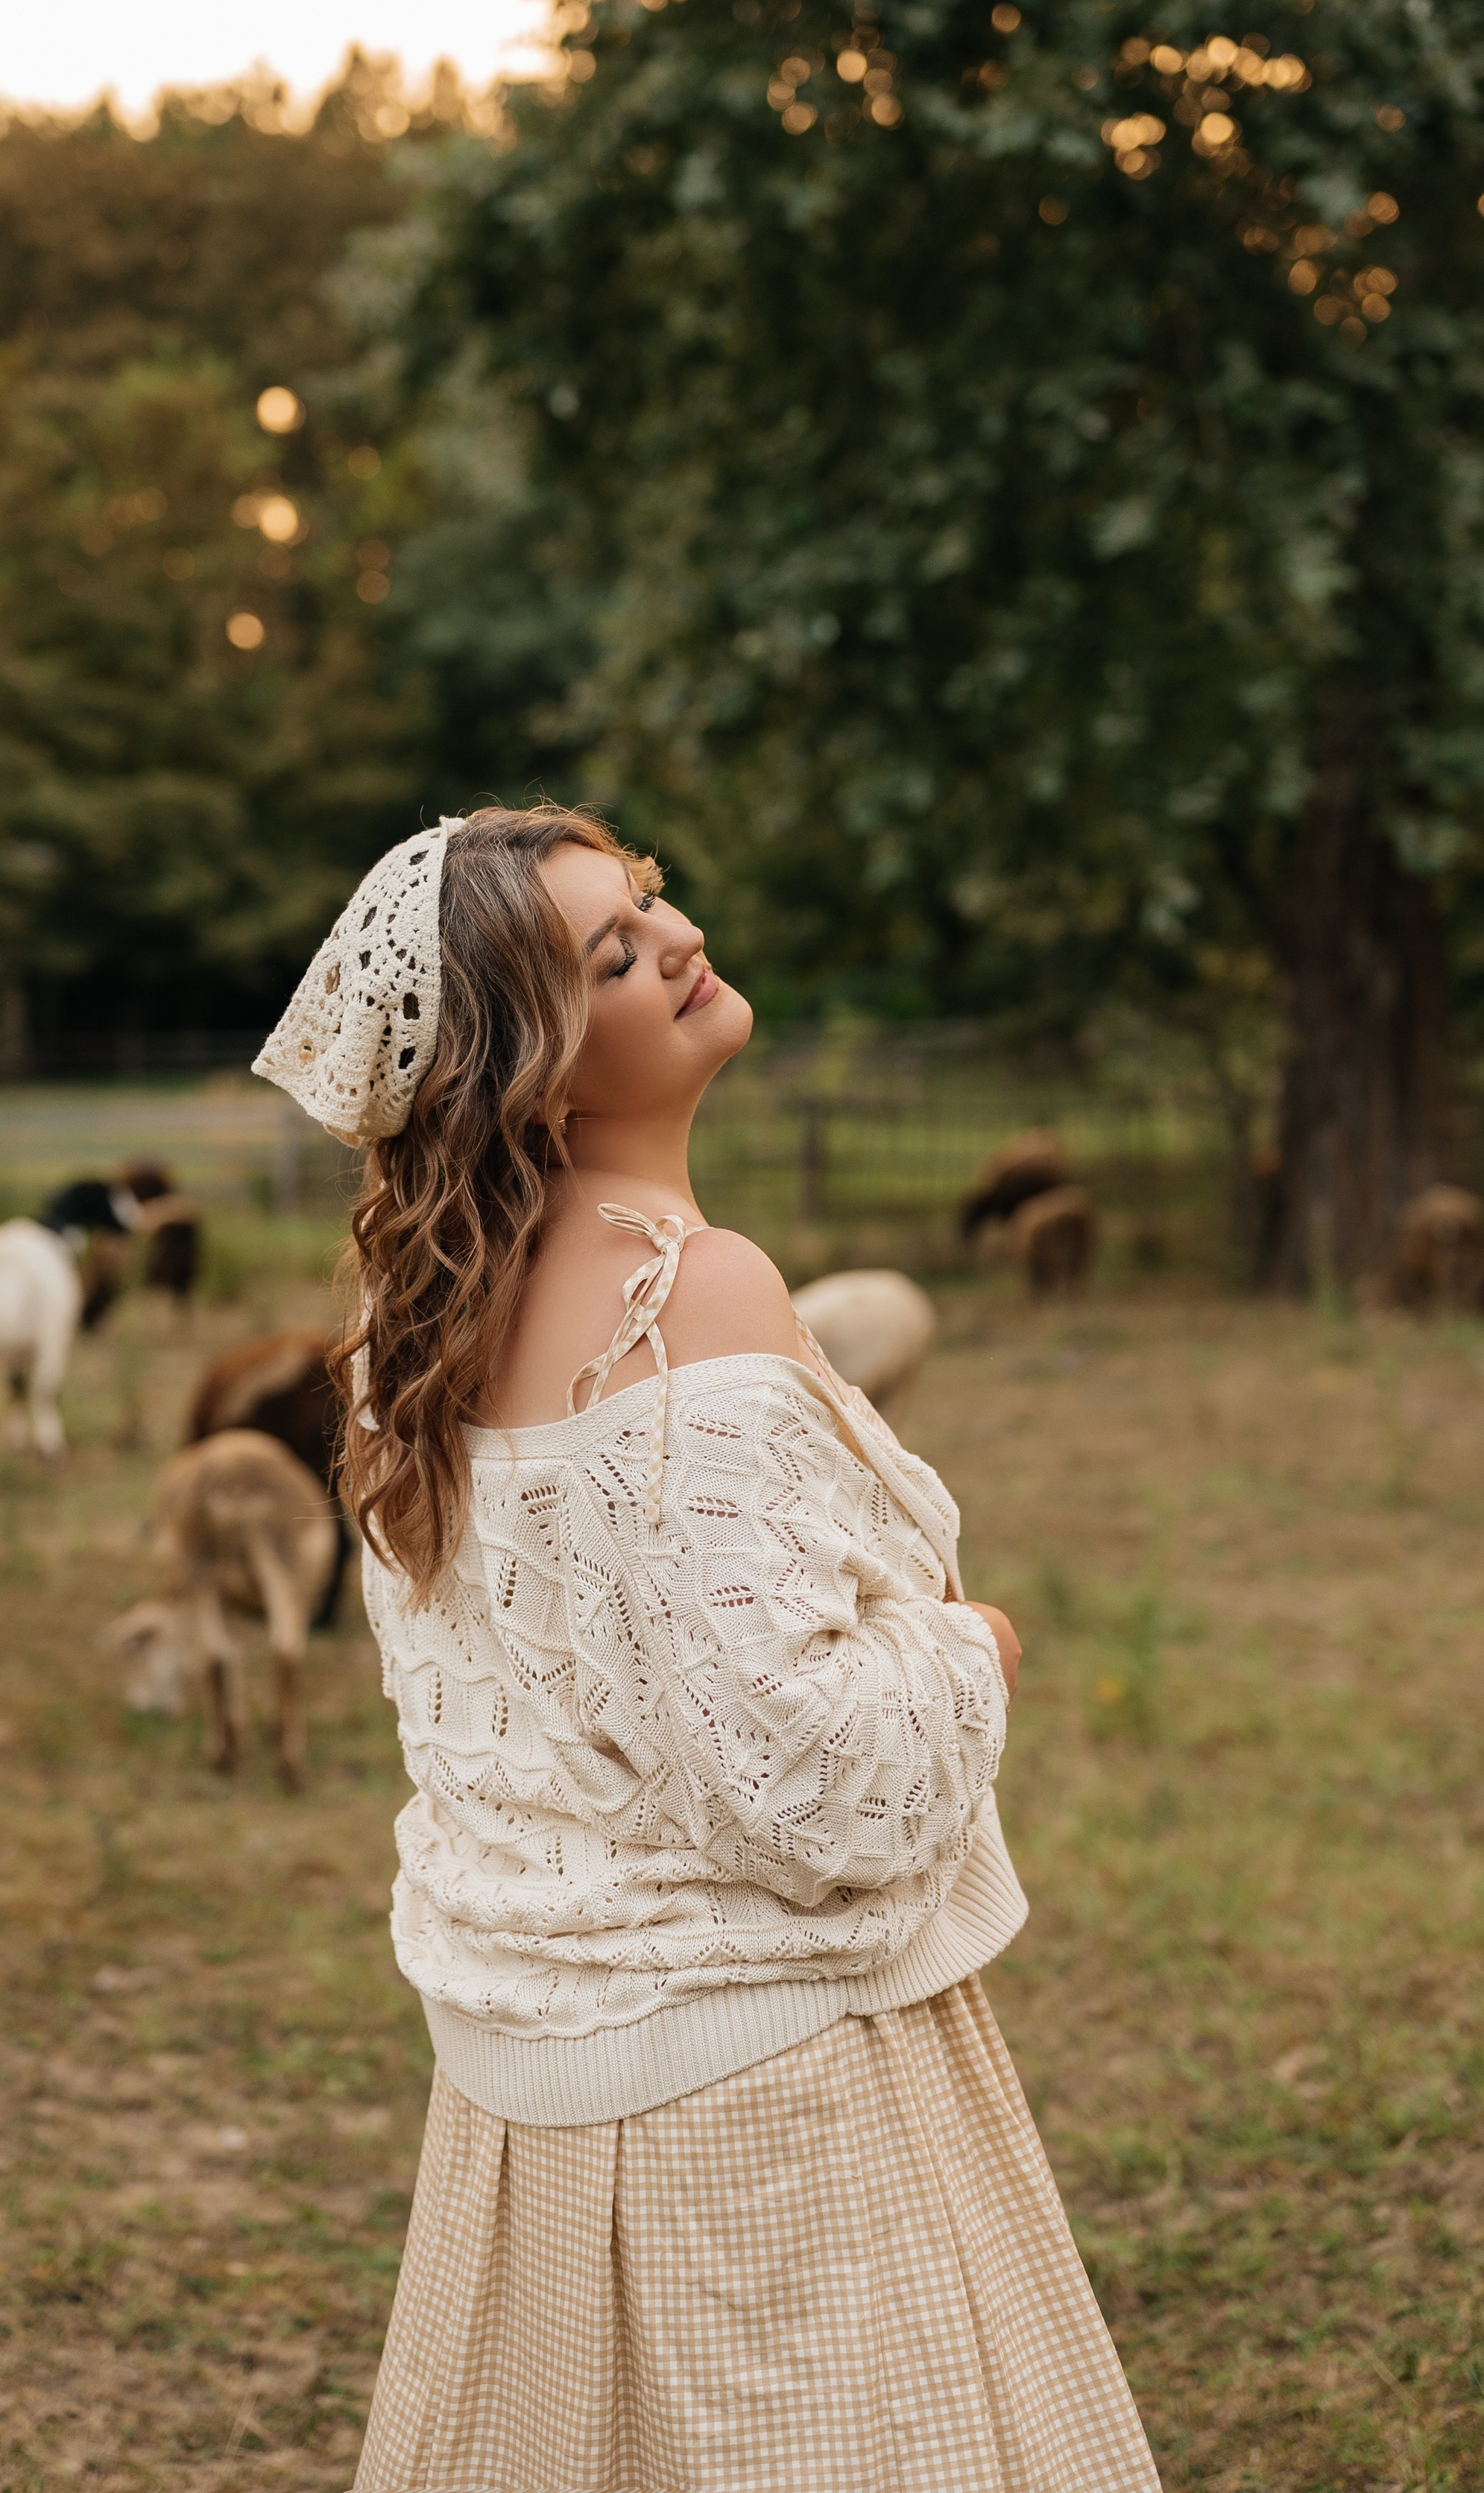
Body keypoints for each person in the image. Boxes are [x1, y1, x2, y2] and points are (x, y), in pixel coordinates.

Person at [254, 804, 1161, 2493]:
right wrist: (977, 1646)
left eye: (650, 905)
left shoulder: (405, 1338)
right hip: (757, 2102)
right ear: (526, 1066)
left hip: (527, 2100)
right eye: (609, 953)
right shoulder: (697, 1289)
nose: (674, 942)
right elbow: (804, 1776)